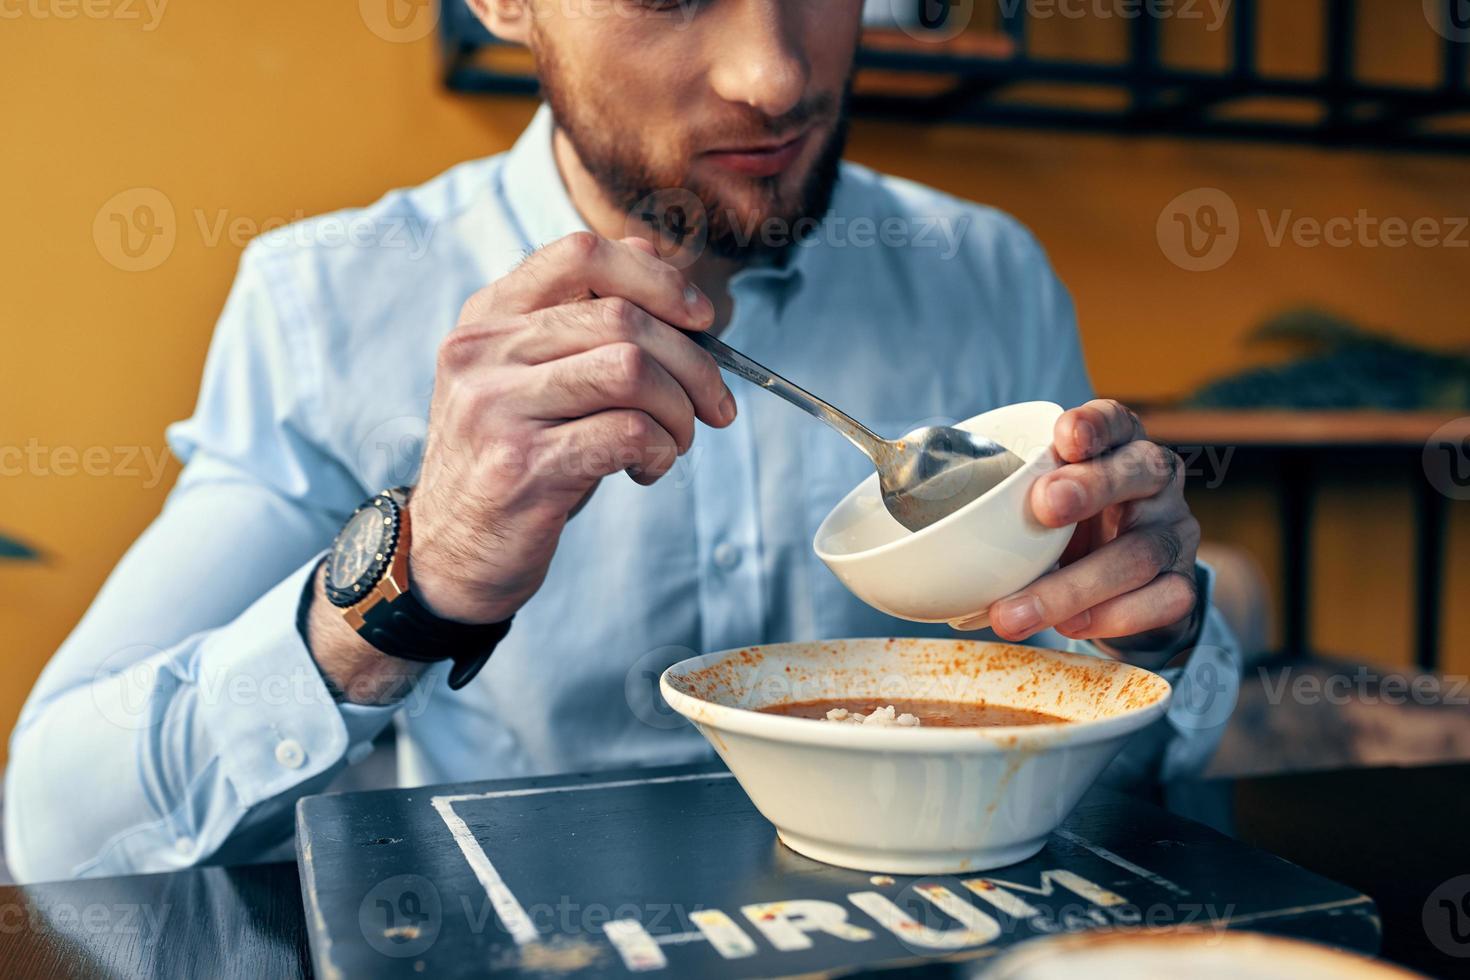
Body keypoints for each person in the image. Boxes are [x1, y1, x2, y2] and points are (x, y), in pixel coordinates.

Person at [5, 0, 1239, 882]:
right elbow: (58, 828)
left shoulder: (986, 274)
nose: (773, 74)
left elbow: (1122, 739)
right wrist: (413, 579)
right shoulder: (326, 304)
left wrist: (1158, 630)